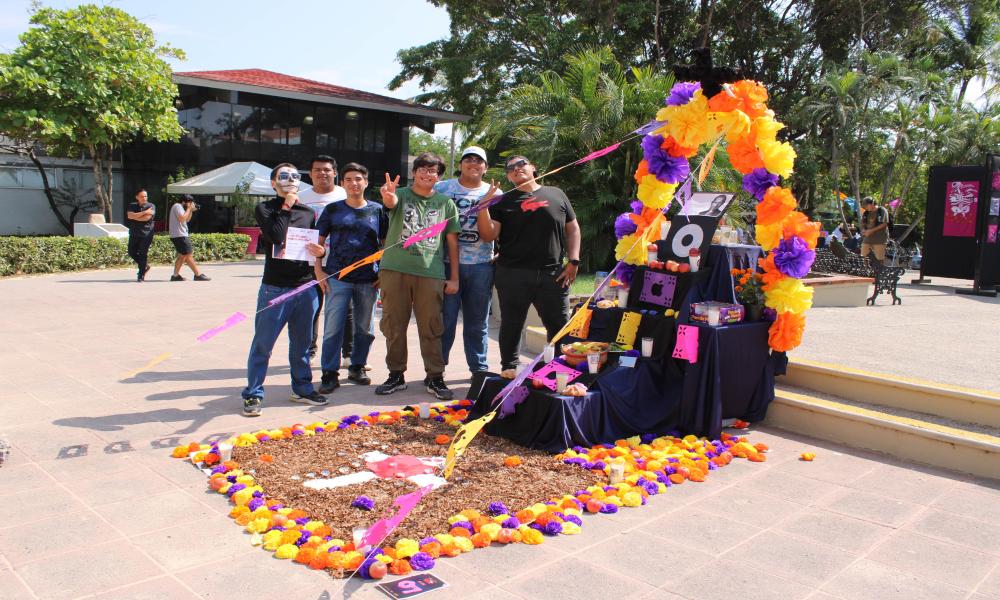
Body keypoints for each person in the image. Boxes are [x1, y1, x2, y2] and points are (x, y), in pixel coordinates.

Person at [477, 155, 581, 378]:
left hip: (553, 274)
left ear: (533, 167)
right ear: (507, 176)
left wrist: (573, 260)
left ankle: (560, 369)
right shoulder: (503, 201)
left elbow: (572, 229)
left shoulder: (556, 193)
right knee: (512, 324)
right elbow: (488, 235)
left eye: (521, 164)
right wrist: (483, 207)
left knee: (559, 325)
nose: (516, 169)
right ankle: (509, 368)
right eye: (510, 168)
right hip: (513, 274)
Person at [240, 163, 327, 417]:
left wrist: (321, 253)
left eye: (294, 176)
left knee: (302, 344)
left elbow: (313, 246)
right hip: (275, 288)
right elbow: (276, 236)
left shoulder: (309, 212)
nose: (290, 179)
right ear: (273, 182)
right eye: (284, 176)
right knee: (263, 344)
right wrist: (286, 205)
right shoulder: (265, 208)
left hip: (305, 286)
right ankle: (253, 394)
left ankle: (302, 388)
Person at [375, 152, 461, 400]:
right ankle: (395, 374)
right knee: (394, 324)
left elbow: (452, 244)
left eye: (433, 170)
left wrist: (453, 277)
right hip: (395, 270)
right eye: (422, 169)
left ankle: (435, 376)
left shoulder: (446, 203)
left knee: (432, 326)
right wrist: (388, 196)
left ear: (439, 176)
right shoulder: (400, 195)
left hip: (431, 272)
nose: (427, 173)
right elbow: (390, 203)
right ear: (414, 172)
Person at [313, 162, 387, 393]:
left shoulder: (377, 210)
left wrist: (383, 272)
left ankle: (357, 366)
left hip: (368, 279)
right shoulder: (333, 210)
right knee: (333, 327)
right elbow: (318, 243)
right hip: (338, 276)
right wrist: (318, 270)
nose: (354, 183)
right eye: (348, 180)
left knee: (365, 328)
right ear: (342, 183)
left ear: (366, 182)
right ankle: (329, 372)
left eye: (358, 179)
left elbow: (385, 244)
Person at [434, 146, 498, 375]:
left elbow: (499, 231)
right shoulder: (442, 188)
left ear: (486, 167)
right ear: (460, 165)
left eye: (479, 160)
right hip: (446, 264)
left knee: (477, 322)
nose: (473, 163)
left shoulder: (496, 194)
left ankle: (479, 370)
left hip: (481, 265)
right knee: (446, 321)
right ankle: (436, 370)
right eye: (468, 159)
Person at [297, 155, 348, 363]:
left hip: (340, 261)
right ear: (310, 174)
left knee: (346, 309)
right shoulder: (300, 197)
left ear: (335, 173)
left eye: (327, 170)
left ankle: (349, 352)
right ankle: (309, 349)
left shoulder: (345, 194)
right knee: (311, 309)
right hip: (308, 263)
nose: (322, 173)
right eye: (317, 170)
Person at [168, 194, 210, 281]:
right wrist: (189, 209)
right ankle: (197, 274)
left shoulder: (180, 207)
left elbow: (187, 219)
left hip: (179, 235)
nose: (190, 205)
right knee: (188, 255)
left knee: (182, 255)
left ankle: (175, 276)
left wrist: (190, 211)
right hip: (180, 235)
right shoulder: (177, 206)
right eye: (189, 203)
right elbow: (182, 219)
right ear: (183, 202)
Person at [125, 189, 155, 282]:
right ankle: (145, 266)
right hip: (134, 233)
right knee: (131, 252)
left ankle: (141, 275)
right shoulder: (132, 205)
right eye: (142, 196)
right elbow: (129, 216)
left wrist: (136, 216)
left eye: (145, 196)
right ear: (137, 197)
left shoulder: (151, 206)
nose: (144, 198)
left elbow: (146, 219)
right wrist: (144, 212)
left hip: (146, 234)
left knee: (142, 254)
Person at [859, 196, 889, 262]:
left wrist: (871, 231)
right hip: (867, 239)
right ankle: (865, 271)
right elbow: (862, 224)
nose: (865, 207)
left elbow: (884, 224)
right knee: (863, 257)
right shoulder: (866, 213)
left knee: (879, 259)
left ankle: (879, 271)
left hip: (879, 239)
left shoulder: (882, 210)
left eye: (866, 205)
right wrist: (863, 230)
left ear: (872, 203)